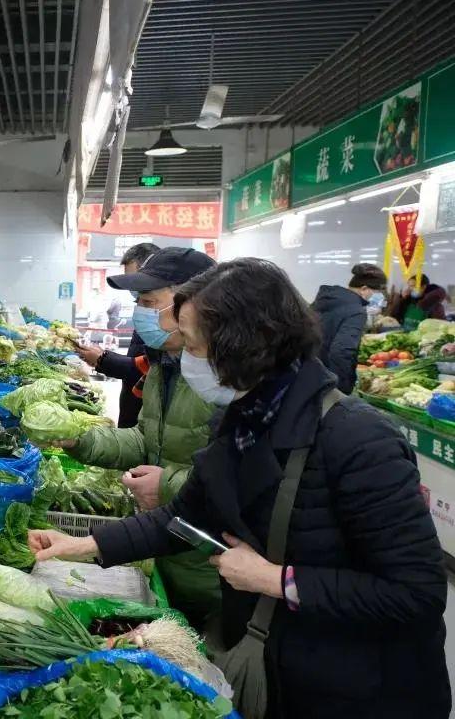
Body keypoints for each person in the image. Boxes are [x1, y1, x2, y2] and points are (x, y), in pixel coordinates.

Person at [30, 258, 449, 718]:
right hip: (278, 669)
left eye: (191, 343)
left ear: (243, 345)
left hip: (362, 690)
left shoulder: (358, 440)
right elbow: (182, 519)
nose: (184, 357)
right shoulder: (240, 421)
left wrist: (274, 579)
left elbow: (418, 594)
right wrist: (80, 544)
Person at [57, 246, 220, 626]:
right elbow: (145, 440)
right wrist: (80, 439)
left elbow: (244, 481)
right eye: (139, 302)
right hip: (172, 540)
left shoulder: (222, 379)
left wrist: (167, 486)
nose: (141, 313)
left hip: (212, 563)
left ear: (194, 307)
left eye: (150, 302)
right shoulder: (165, 364)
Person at [78, 242, 159, 428]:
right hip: (134, 413)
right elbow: (145, 363)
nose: (140, 303)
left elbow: (150, 369)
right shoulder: (147, 314)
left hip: (143, 422)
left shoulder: (165, 325)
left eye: (147, 301)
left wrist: (103, 360)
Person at [311, 262, 387, 394]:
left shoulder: (325, 300)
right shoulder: (356, 311)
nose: (378, 298)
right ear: (364, 289)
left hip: (310, 372)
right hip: (329, 382)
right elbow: (342, 351)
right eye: (377, 293)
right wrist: (342, 390)